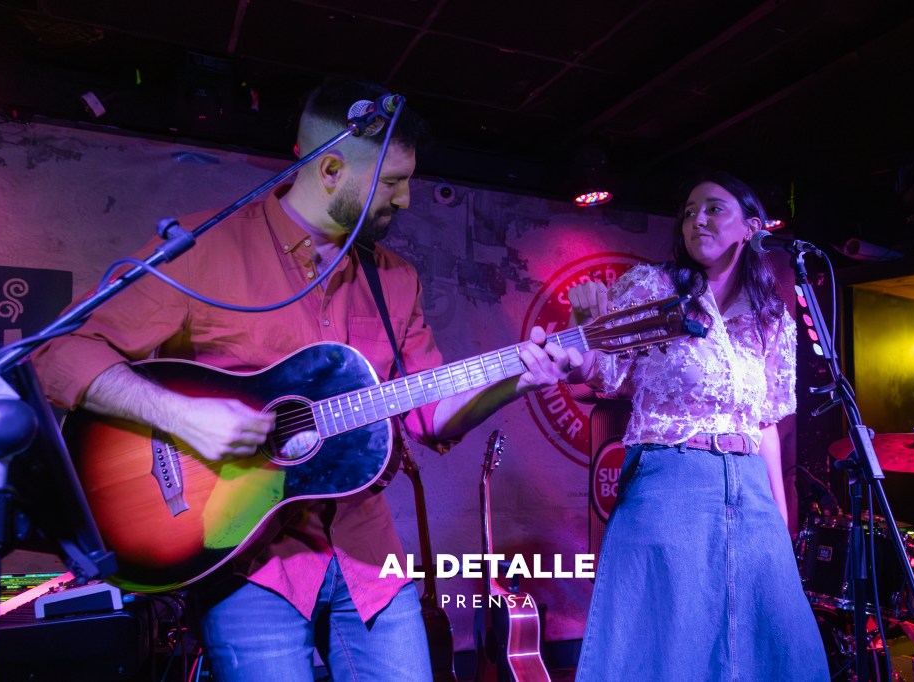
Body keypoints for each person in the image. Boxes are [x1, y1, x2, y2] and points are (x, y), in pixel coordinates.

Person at [30, 81, 581, 681]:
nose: (405, 200)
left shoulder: (395, 279)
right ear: (332, 169)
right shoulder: (207, 247)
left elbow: (429, 413)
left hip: (367, 553)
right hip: (246, 560)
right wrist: (182, 416)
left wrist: (518, 379)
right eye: (392, 182)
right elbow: (58, 354)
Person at [566, 171, 829, 680]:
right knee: (672, 648)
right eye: (688, 211)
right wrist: (585, 337)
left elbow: (767, 423)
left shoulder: (773, 316)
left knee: (779, 646)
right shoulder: (651, 287)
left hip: (751, 490)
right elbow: (604, 374)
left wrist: (779, 518)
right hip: (672, 483)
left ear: (752, 227)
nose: (696, 220)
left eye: (713, 208)